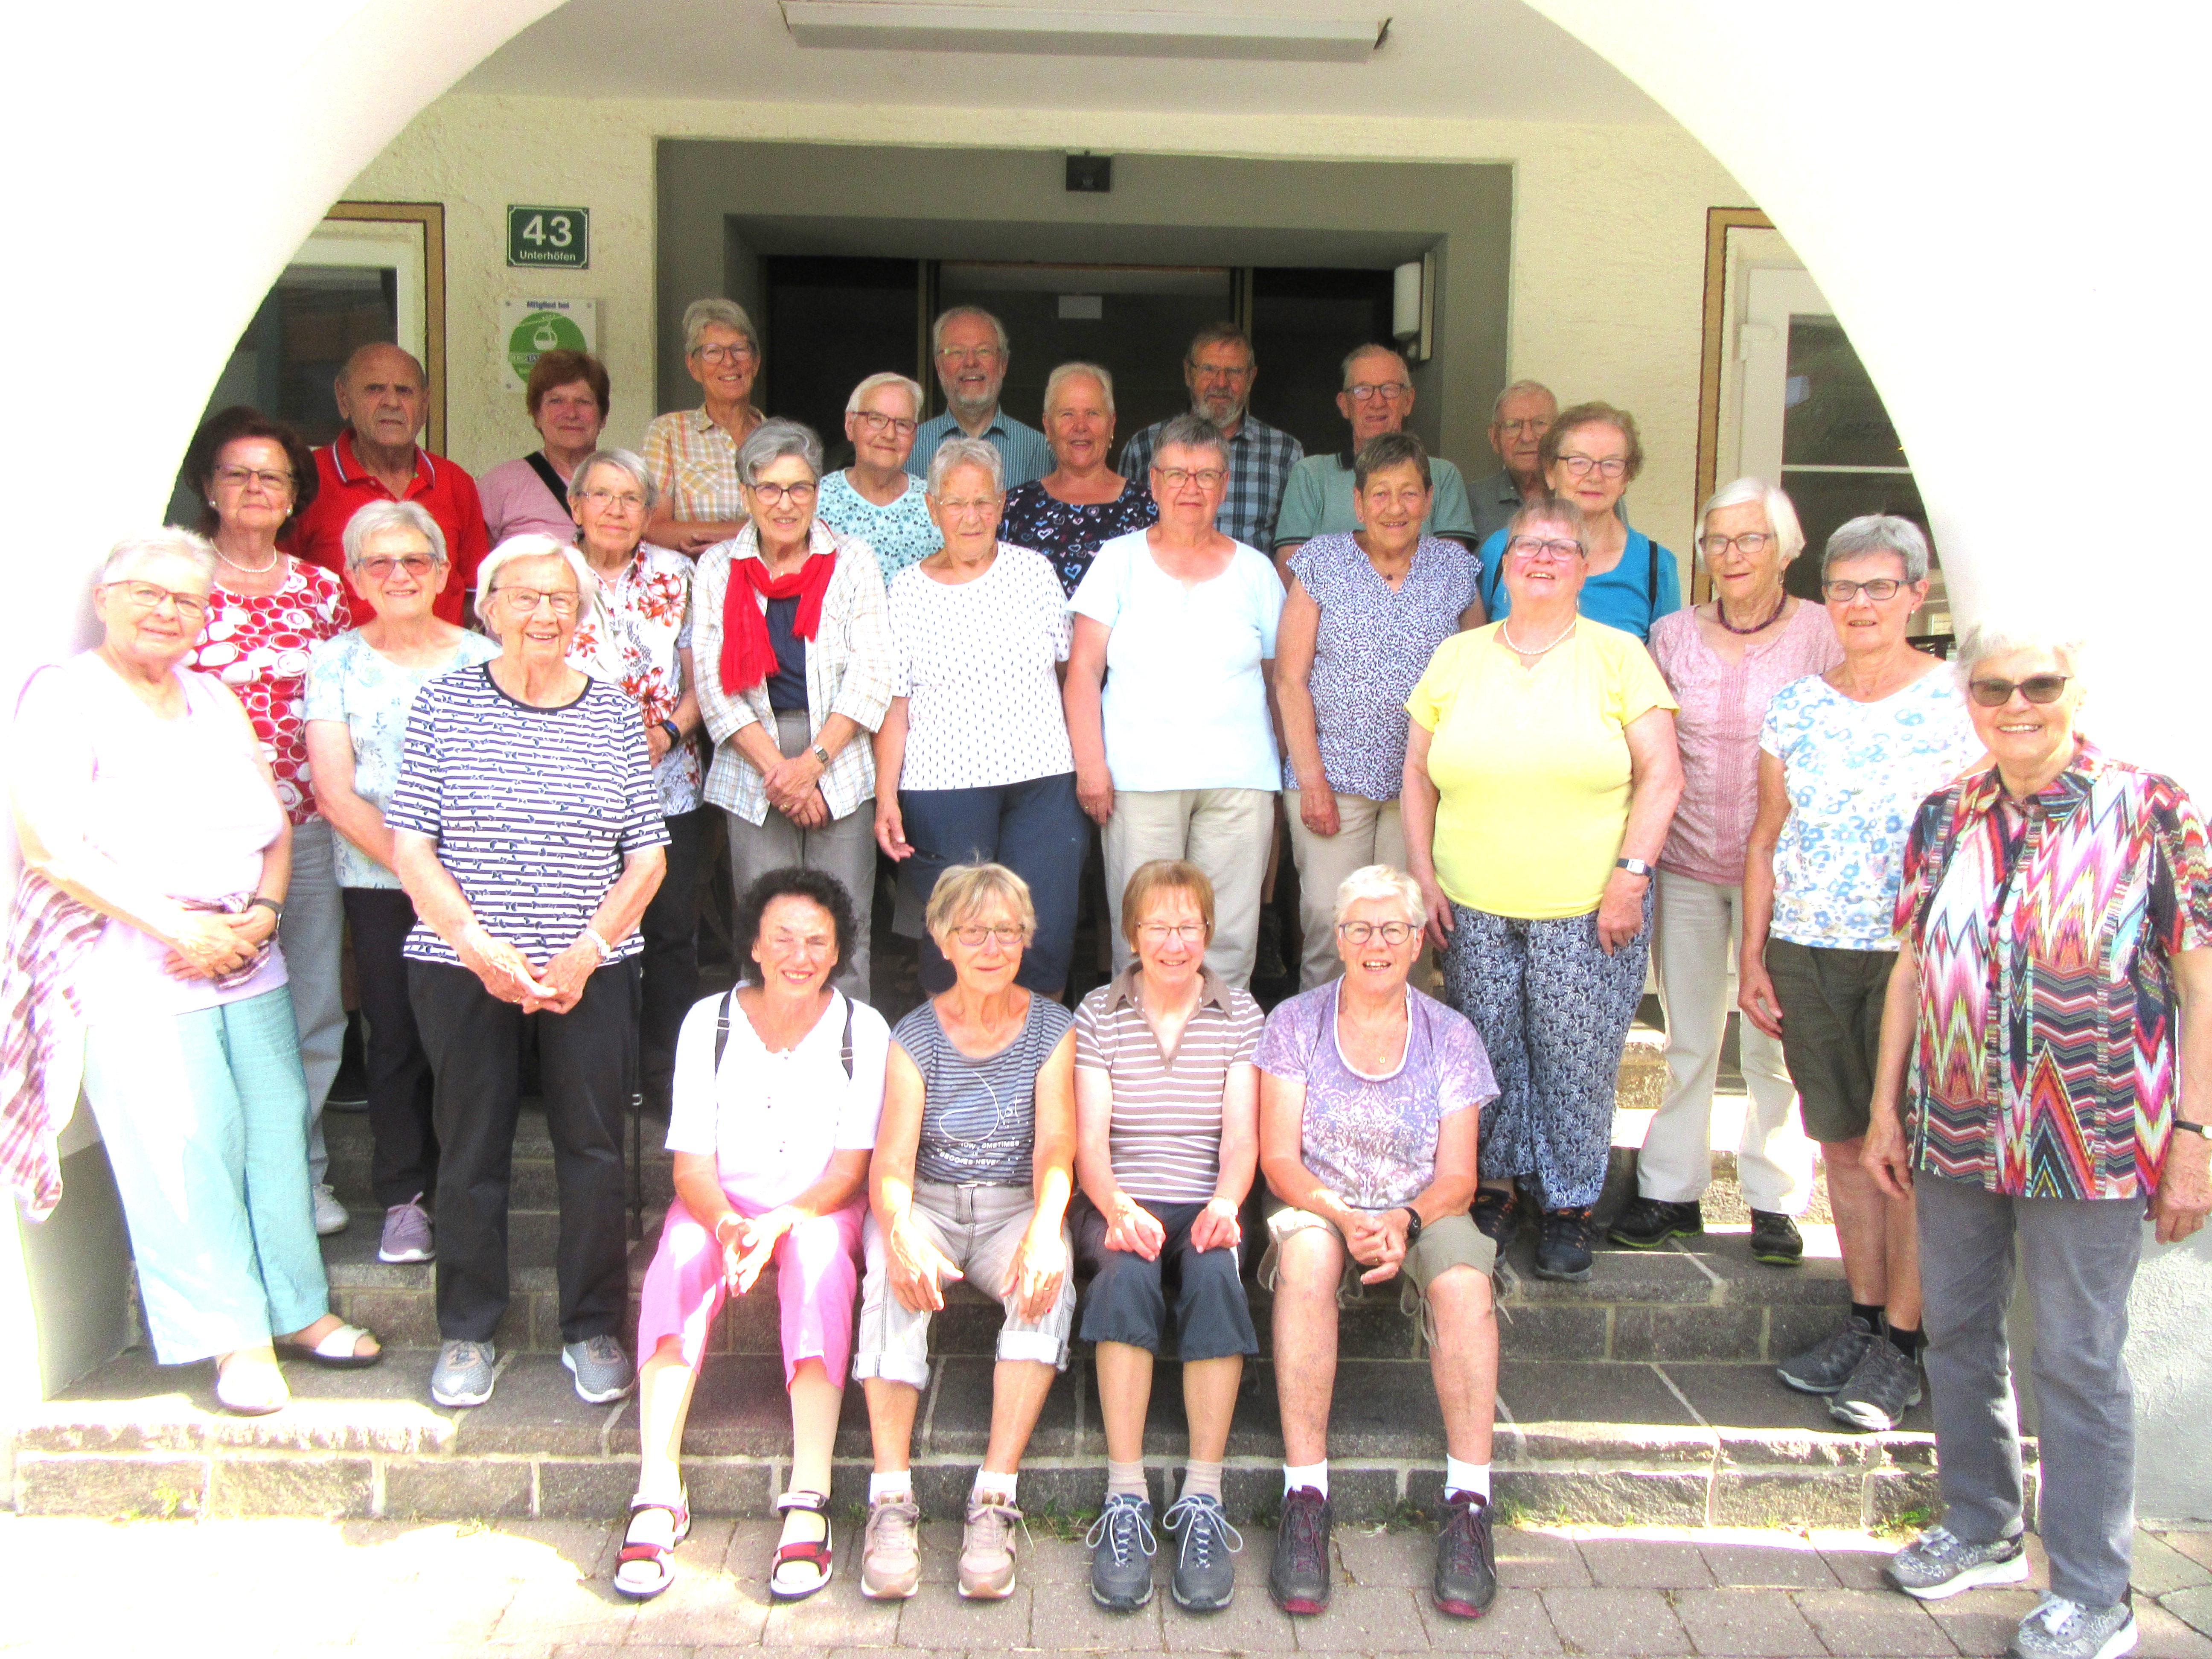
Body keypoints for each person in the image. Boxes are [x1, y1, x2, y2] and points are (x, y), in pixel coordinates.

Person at [1868, 621, 2212, 1659]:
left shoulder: (2152, 808)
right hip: (1957, 1117)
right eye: (1991, 687)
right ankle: (1978, 1525)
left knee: (2073, 1354)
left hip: (2095, 1131)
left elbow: (2198, 981)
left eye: (2038, 683)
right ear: (1966, 699)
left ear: (2075, 688)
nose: (2015, 703)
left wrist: (2193, 1132)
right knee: (1959, 1335)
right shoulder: (1942, 813)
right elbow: (1910, 968)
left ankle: (2094, 1591)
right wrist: (1888, 1107)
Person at [11, 530, 381, 1416]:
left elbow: (278, 824)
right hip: (136, 959)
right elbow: (49, 846)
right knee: (182, 1146)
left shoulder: (212, 696)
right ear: (105, 598)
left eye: (186, 601)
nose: (167, 612)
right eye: (149, 593)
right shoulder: (65, 697)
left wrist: (257, 916)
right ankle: (231, 1336)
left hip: (245, 950)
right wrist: (178, 925)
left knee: (270, 1132)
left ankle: (297, 1310)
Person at [387, 533, 669, 1412]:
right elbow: (411, 844)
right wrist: (477, 946)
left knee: (591, 1151)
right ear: (488, 606)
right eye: (525, 597)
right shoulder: (441, 705)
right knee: (470, 1148)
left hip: (590, 968)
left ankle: (590, 1327)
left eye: (561, 600)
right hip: (464, 968)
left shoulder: (617, 715)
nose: (544, 615)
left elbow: (648, 857)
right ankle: (468, 1331)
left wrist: (588, 950)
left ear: (581, 616)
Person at [1740, 515, 1980, 1432]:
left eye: (1880, 587)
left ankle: (1907, 1347)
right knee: (1841, 1141)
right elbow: (1768, 835)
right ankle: (1865, 1318)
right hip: (1809, 948)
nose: (1860, 605)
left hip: (1919, 959)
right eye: (1844, 588)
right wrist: (1754, 954)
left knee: (1909, 1154)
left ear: (1918, 594)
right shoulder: (1798, 705)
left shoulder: (1962, 700)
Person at [1404, 498, 1683, 1282]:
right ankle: (1493, 1187)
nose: (1540, 559)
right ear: (1502, 562)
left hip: (1587, 904)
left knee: (1574, 1057)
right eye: (1526, 545)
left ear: (1585, 566)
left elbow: (1662, 772)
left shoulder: (1618, 654)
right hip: (1473, 900)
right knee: (1484, 1051)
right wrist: (1423, 875)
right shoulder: (1456, 656)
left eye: (1561, 548)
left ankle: (1566, 1202)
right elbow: (1416, 773)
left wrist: (1630, 876)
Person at [616, 869, 887, 1605]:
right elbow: (690, 1164)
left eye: (817, 941)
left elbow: (850, 1168)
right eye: (783, 939)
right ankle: (656, 1485)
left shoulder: (864, 1030)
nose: (800, 954)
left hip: (818, 1205)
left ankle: (808, 1492)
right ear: (755, 948)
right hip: (721, 1203)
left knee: (823, 1260)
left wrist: (780, 1222)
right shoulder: (710, 1021)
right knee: (674, 1256)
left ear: (838, 952)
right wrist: (733, 1221)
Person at [1255, 866, 1502, 1622]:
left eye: (1391, 928)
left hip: (1421, 1204)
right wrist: (1342, 1212)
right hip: (1318, 1197)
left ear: (1417, 939)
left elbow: (1458, 1174)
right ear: (1336, 938)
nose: (1374, 943)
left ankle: (1468, 1499)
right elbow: (1278, 1159)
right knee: (1303, 1259)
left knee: (1462, 1281)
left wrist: (1403, 1220)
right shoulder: (1293, 1022)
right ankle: (1305, 1493)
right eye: (1358, 927)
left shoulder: (1450, 1034)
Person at [1610, 478, 1839, 1264]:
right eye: (1717, 541)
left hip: (1784, 870)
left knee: (1775, 1039)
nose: (1730, 555)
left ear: (1785, 549)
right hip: (1684, 858)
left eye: (1749, 540)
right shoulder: (1670, 634)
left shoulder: (1821, 634)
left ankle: (1774, 1199)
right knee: (1687, 1033)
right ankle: (1670, 1189)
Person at [853, 864, 1077, 1603]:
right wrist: (898, 1229)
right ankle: (889, 1499)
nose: (990, 945)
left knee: (1049, 1278)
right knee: (891, 1270)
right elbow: (890, 1160)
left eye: (1007, 931)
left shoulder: (1053, 1027)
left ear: (1026, 941)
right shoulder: (913, 1034)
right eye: (972, 930)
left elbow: (1054, 1148)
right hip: (933, 1201)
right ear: (943, 939)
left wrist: (1045, 1227)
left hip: (1013, 1202)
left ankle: (993, 1496)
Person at [304, 501, 499, 1266]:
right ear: (355, 577)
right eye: (378, 563)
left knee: (473, 1040)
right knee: (395, 1037)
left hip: (479, 878)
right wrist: (416, 871)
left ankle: (468, 1186)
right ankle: (404, 1198)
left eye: (414, 560)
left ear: (444, 572)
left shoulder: (483, 656)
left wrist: (456, 873)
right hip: (380, 879)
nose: (397, 575)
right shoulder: (336, 662)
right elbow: (334, 791)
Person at [181, 406, 355, 1237]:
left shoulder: (320, 592)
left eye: (272, 477)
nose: (255, 489)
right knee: (211, 1014)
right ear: (210, 488)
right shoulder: (179, 581)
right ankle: (231, 1183)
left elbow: (342, 704)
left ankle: (301, 1171)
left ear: (294, 497)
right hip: (196, 846)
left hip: (309, 829)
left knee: (313, 1009)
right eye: (238, 475)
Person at [1072, 860, 1263, 1614]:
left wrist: (1225, 1201)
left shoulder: (1240, 1012)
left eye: (1188, 926)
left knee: (1216, 1273)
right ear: (1132, 933)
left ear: (1208, 933)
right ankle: (1124, 1497)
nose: (1174, 941)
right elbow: (1090, 1139)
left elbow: (1241, 1138)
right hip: (1119, 1193)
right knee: (1123, 1275)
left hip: (1205, 1197)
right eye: (1158, 925)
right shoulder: (1097, 1010)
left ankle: (1202, 1502)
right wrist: (1115, 1205)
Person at [1066, 414, 1285, 988]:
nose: (1192, 488)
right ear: (1155, 483)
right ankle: (1138, 1056)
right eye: (1179, 474)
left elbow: (1282, 679)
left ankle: (1224, 1058)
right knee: (1143, 929)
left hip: (1239, 779)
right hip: (1138, 777)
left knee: (1230, 933)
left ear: (1225, 484)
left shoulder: (1256, 571)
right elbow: (1083, 670)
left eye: (1207, 475)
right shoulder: (1118, 560)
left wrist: (1284, 776)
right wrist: (1092, 765)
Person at [874, 438, 1086, 998]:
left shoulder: (1035, 573)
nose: (971, 518)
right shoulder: (906, 590)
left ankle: (1040, 1074)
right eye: (956, 503)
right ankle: (955, 1073)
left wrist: (1086, 766)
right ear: (933, 508)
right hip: (943, 788)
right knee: (956, 941)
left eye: (984, 503)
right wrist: (886, 796)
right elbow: (896, 703)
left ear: (1001, 505)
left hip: (1043, 782)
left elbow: (1071, 676)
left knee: (1043, 933)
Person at [1275, 431, 1483, 991]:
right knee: (1328, 922)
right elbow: (1291, 679)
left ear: (1430, 499)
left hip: (1420, 787)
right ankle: (1318, 1057)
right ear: (1359, 502)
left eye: (1410, 493)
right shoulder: (1321, 562)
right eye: (1382, 494)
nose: (1395, 508)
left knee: (1404, 930)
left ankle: (1400, 1062)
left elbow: (1477, 677)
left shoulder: (1457, 570)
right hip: (1332, 781)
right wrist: (1312, 781)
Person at [693, 419, 891, 1003]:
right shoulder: (716, 569)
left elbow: (872, 671)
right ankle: (769, 1057)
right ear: (747, 494)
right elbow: (712, 683)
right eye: (770, 489)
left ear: (817, 492)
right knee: (766, 925)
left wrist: (813, 765)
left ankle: (848, 1064)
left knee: (845, 920)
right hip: (754, 760)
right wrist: (781, 771)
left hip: (840, 756)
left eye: (800, 487)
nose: (786, 503)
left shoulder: (853, 561)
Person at [562, 448, 708, 1121]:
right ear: (576, 506)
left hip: (669, 783)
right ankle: (601, 1074)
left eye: (631, 500)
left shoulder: (681, 575)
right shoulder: (546, 575)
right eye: (602, 496)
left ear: (650, 513)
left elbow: (704, 677)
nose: (616, 511)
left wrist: (669, 735)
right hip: (573, 795)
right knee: (595, 932)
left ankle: (669, 1076)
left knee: (673, 935)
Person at [286, 343, 490, 626]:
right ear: (344, 399)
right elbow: (280, 586)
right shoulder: (307, 479)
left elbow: (473, 594)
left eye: (404, 391)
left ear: (425, 404)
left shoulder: (455, 482)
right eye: (374, 389)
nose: (391, 402)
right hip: (339, 664)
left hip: (440, 665)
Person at [1475, 401, 1679, 642]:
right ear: (1550, 473)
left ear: (1627, 478)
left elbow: (1663, 667)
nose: (1595, 476)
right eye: (1579, 462)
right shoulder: (1504, 548)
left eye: (1611, 464)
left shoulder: (1656, 564)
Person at [1271, 345, 1478, 572]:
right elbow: (1290, 573)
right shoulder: (1310, 475)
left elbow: (1450, 575)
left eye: (1389, 389)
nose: (1377, 402)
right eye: (1362, 390)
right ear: (1344, 405)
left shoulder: (1444, 476)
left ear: (1408, 401)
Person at [1119, 323, 1303, 553]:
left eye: (1234, 372)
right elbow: (1127, 536)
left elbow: (1293, 552)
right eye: (1208, 369)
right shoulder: (1143, 447)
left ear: (1251, 377)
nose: (1221, 382)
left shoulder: (1285, 452)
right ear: (1188, 373)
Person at [1001, 361, 1158, 598]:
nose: (1081, 426)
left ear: (1112, 422)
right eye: (1067, 414)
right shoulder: (1014, 508)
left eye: (1092, 413)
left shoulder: (1148, 506)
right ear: (1047, 425)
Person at [642, 298, 765, 554]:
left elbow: (800, 526)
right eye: (713, 352)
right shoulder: (667, 433)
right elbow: (653, 527)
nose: (729, 362)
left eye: (739, 349)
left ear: (755, 361)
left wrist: (708, 536)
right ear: (693, 366)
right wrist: (756, 532)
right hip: (691, 586)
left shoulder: (780, 440)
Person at [902, 306, 1051, 489]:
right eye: (956, 352)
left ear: (1003, 364)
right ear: (939, 366)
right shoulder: (907, 448)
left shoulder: (1041, 451)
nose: (971, 362)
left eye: (984, 351)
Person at [815, 372, 941, 579]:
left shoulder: (936, 505)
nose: (890, 434)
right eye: (876, 419)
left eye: (902, 424)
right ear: (850, 425)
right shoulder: (817, 500)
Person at [479, 349, 612, 543]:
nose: (571, 413)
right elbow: (476, 565)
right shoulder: (500, 485)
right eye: (556, 401)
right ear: (536, 415)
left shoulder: (627, 485)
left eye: (583, 402)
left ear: (603, 417)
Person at [1467, 381, 1557, 544]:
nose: (1527, 437)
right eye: (1513, 426)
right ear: (1495, 438)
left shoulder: (1582, 492)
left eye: (1540, 424)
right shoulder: (1473, 500)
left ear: (1558, 434)